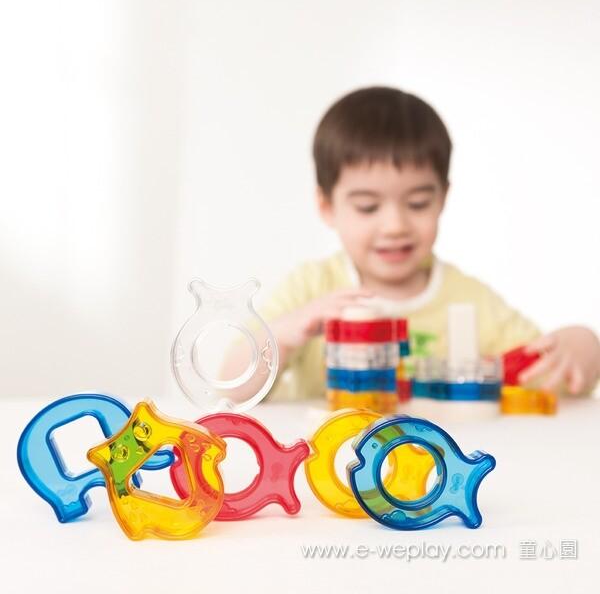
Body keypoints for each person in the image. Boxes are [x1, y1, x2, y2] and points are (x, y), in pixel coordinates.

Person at [224, 86, 600, 402]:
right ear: (327, 206)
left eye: (418, 204)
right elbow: (229, 388)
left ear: (443, 198)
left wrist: (584, 345)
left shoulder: (469, 298)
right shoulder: (312, 289)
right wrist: (284, 334)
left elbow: (549, 376)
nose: (395, 226)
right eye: (368, 207)